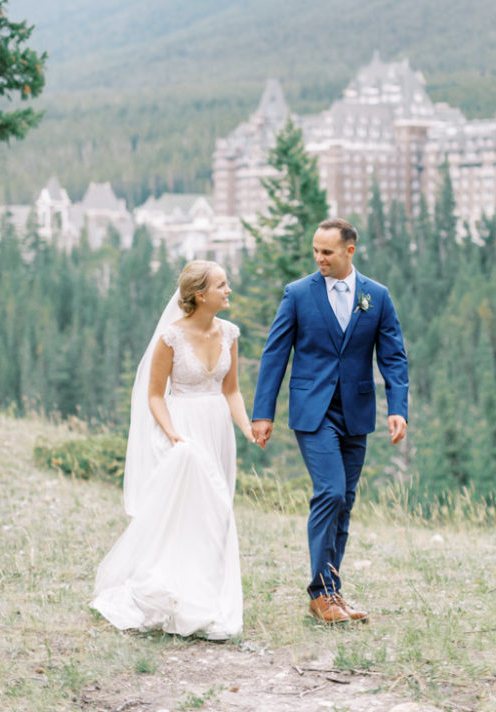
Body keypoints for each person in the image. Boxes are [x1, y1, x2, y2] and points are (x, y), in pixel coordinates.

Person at [251, 218, 408, 624]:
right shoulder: (298, 294)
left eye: (327, 252)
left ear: (349, 251)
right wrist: (263, 413)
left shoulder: (377, 296)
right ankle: (320, 593)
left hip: (356, 411)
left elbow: (392, 356)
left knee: (346, 502)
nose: (319, 258)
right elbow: (275, 354)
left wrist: (397, 407)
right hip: (312, 411)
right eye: (316, 251)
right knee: (331, 492)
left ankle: (333, 592)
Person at [91, 260, 257, 639]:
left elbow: (230, 390)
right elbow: (154, 395)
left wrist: (246, 428)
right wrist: (172, 435)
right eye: (222, 284)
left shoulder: (230, 333)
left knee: (219, 509)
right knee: (199, 508)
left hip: (217, 429)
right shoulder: (171, 338)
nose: (228, 290)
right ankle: (179, 595)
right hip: (182, 430)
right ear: (200, 294)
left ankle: (208, 593)